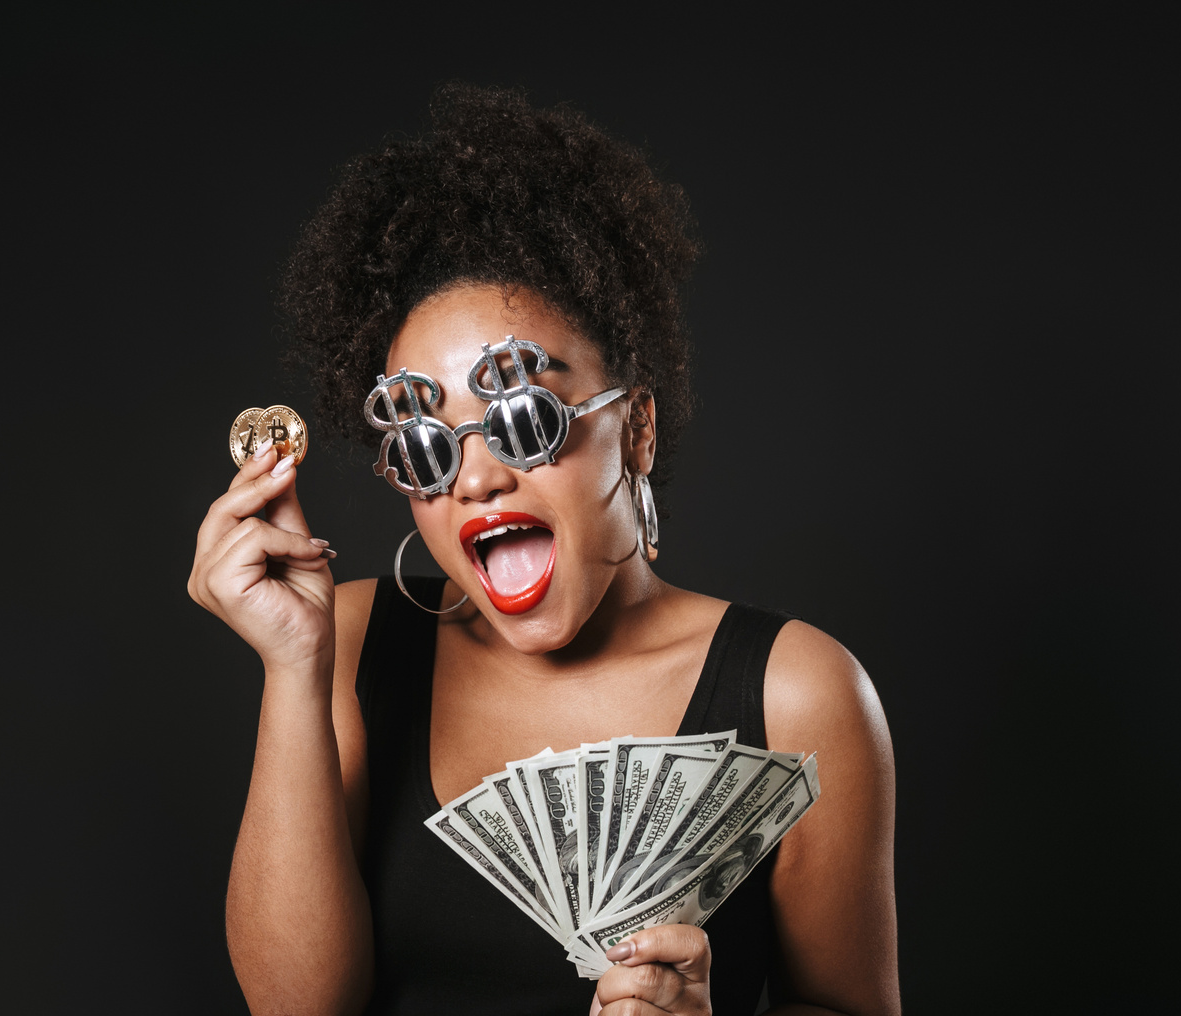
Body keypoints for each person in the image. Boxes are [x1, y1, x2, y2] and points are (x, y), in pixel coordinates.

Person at [187, 85, 899, 1016]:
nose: (475, 480)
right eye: (427, 445)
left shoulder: (801, 693)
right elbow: (296, 1008)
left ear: (635, 429)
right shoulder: (348, 644)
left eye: (522, 420)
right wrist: (291, 665)